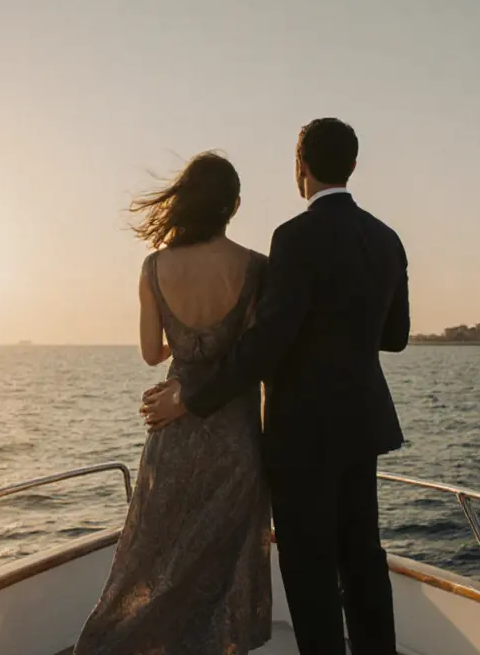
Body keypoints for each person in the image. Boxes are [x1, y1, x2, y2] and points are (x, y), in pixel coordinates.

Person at [142, 118, 409, 655]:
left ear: (300, 167)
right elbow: (396, 336)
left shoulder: (294, 237)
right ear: (353, 166)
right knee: (363, 560)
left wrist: (191, 396)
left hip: (302, 434)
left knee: (310, 572)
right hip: (363, 425)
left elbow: (268, 341)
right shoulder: (385, 238)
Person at [73, 152, 272, 655]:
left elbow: (149, 353)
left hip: (173, 433)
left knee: (155, 554)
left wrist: (184, 346)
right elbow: (254, 355)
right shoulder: (256, 268)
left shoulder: (154, 267)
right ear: (235, 205)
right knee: (226, 565)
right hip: (236, 433)